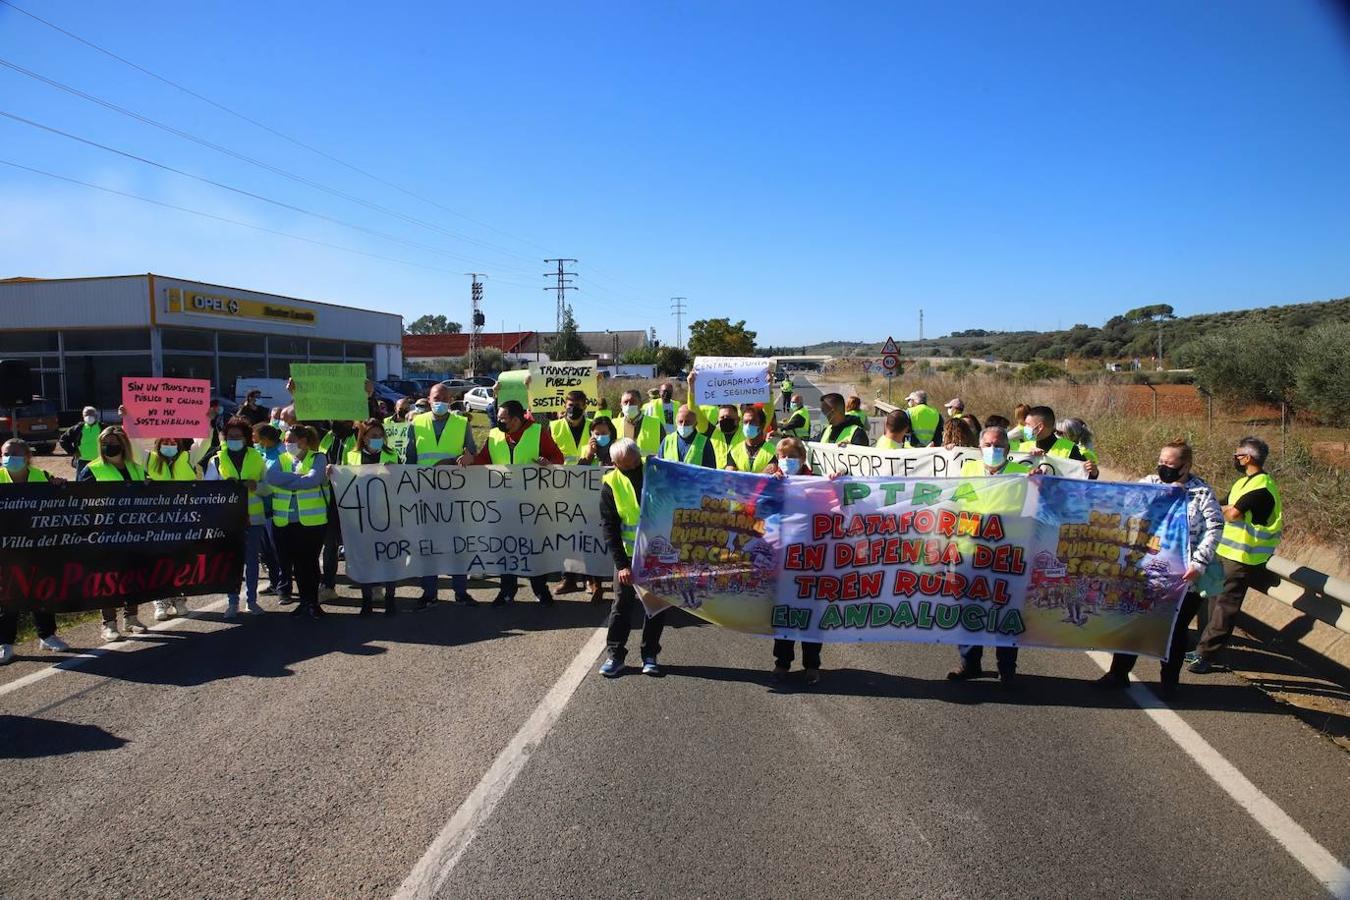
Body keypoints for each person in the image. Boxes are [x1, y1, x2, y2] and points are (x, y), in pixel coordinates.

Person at [1099, 439, 1223, 696]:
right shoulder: (1150, 484)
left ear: (1185, 465)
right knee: (1132, 621)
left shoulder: (1201, 493)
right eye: (1161, 461)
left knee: (1175, 631)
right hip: (1145, 570)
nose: (1164, 466)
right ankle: (1118, 674)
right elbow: (1128, 508)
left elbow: (1215, 527)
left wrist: (1199, 562)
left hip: (1183, 575)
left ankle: (1169, 683)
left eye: (1170, 463)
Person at [1189, 436, 1283, 675]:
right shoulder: (1244, 483)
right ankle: (1201, 648)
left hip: (1242, 557)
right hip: (1224, 552)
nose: (1235, 459)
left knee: (1224, 607)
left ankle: (1206, 655)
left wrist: (1224, 509)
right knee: (1210, 599)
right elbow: (1221, 505)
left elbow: (1232, 513)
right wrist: (1221, 508)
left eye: (1238, 455)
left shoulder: (1262, 487)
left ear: (1248, 457)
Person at [950, 426, 1032, 685]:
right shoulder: (968, 470)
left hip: (1006, 556)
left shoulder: (1024, 475)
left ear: (1007, 450)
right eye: (987, 444)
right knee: (969, 611)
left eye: (998, 445)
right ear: (979, 447)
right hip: (969, 553)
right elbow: (955, 507)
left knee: (1006, 613)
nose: (992, 449)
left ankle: (1007, 670)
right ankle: (970, 664)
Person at [471, 399, 564, 606]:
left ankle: (540, 589)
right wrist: (471, 460)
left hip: (531, 504)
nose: (499, 421)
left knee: (532, 549)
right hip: (503, 503)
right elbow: (484, 459)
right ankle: (507, 590)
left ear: (515, 419)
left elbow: (558, 457)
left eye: (503, 418)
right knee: (506, 548)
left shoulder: (537, 432)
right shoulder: (495, 435)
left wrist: (548, 463)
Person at [598, 438, 666, 677]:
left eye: (635, 462)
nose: (633, 468)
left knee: (655, 608)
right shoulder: (611, 484)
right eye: (626, 466)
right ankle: (615, 656)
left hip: (657, 556)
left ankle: (650, 655)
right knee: (621, 607)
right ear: (615, 464)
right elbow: (610, 529)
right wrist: (622, 565)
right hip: (628, 559)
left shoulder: (658, 470)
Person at [406, 382, 477, 607]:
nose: (441, 402)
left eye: (445, 398)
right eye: (437, 398)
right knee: (428, 545)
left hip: (453, 493)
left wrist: (470, 458)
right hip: (425, 495)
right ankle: (429, 593)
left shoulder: (461, 423)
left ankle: (460, 591)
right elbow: (409, 459)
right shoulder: (416, 423)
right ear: (429, 399)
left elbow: (472, 452)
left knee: (457, 544)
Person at [0, 438, 70, 662]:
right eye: (5, 453)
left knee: (41, 590)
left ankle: (47, 635)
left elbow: (58, 499)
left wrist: (59, 485)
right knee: (8, 596)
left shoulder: (41, 476)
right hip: (7, 550)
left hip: (36, 547)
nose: (9, 458)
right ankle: (5, 643)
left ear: (27, 457)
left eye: (15, 453)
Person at [79, 427, 148, 641]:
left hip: (133, 531)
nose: (109, 445)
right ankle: (108, 624)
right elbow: (81, 500)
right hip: (104, 532)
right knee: (107, 579)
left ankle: (132, 618)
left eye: (113, 441)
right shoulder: (92, 469)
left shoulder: (135, 468)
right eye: (105, 442)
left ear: (123, 444)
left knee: (132, 575)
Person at [765, 437, 823, 683]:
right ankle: (782, 662)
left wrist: (840, 478)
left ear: (802, 458)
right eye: (782, 456)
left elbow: (833, 507)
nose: (786, 461)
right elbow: (760, 509)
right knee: (785, 612)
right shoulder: (773, 480)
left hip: (811, 558)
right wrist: (771, 486)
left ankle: (812, 665)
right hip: (782, 559)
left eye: (791, 456)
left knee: (810, 613)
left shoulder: (816, 481)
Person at [264, 425, 330, 617]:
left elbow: (312, 480)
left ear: (303, 441)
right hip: (284, 521)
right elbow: (271, 477)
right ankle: (304, 601)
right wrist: (298, 478)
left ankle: (313, 602)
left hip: (311, 522)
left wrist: (288, 480)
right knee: (293, 564)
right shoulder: (282, 459)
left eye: (291, 440)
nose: (287, 444)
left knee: (308, 563)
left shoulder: (318, 458)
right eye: (286, 440)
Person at [335, 419, 400, 615]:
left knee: (389, 557)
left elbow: (400, 484)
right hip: (361, 516)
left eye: (380, 436)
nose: (377, 439)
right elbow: (344, 479)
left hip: (386, 515)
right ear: (363, 438)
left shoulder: (392, 455)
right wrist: (333, 472)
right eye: (373, 436)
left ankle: (390, 598)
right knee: (365, 559)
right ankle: (367, 600)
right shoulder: (352, 455)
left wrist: (393, 472)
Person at [206, 418, 268, 618]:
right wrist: (225, 486)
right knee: (231, 562)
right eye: (230, 436)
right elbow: (208, 490)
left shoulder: (257, 457)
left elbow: (268, 488)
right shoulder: (216, 459)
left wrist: (255, 486)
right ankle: (232, 603)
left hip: (254, 519)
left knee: (252, 561)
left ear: (246, 438)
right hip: (229, 521)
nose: (234, 439)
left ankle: (251, 601)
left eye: (238, 436)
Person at [146, 437, 201, 621]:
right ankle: (161, 602)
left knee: (181, 560)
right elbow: (133, 444)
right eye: (165, 442)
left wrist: (208, 421)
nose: (169, 446)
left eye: (173, 442)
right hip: (157, 520)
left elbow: (205, 442)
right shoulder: (149, 459)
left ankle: (179, 598)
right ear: (158, 444)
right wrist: (128, 419)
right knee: (159, 561)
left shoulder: (188, 458)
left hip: (183, 519)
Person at [575, 415, 618, 604]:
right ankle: (596, 585)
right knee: (593, 545)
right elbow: (577, 473)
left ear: (611, 433)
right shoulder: (587, 450)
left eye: (604, 433)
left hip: (616, 504)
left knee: (613, 544)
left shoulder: (618, 448)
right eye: (597, 433)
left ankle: (618, 582)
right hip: (592, 505)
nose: (601, 436)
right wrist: (589, 455)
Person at [252, 423, 289, 601]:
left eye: (255, 436)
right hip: (262, 508)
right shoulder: (260, 453)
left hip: (278, 508)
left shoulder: (282, 454)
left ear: (265, 438)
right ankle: (275, 583)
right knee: (266, 552)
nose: (254, 439)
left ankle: (284, 588)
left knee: (278, 551)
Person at [1016, 405, 1099, 479]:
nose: (1025, 428)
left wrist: (1093, 473)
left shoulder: (1070, 449)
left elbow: (1082, 479)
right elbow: (1011, 475)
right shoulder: (1023, 447)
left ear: (1040, 427)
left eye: (1028, 424)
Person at [617, 388, 663, 456]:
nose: (629, 405)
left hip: (648, 465)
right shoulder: (614, 424)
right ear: (621, 405)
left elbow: (665, 450)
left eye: (632, 402)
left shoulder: (656, 424)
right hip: (623, 466)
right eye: (625, 402)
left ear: (640, 404)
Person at [550, 390, 592, 464]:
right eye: (570, 405)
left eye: (577, 405)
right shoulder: (553, 426)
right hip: (562, 473)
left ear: (584, 407)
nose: (573, 408)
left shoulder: (593, 426)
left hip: (588, 473)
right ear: (565, 406)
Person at [58, 405, 103, 475]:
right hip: (82, 461)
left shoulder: (103, 428)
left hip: (100, 461)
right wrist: (73, 451)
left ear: (96, 415)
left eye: (91, 414)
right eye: (86, 415)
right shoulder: (77, 428)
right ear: (83, 416)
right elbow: (63, 440)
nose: (89, 416)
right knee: (81, 483)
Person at [729, 407, 775, 472]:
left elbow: (767, 477)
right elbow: (729, 476)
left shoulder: (773, 451)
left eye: (752, 422)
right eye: (745, 422)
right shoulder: (734, 451)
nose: (748, 426)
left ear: (762, 425)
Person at [707, 404, 746, 468]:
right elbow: (696, 412)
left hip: (738, 476)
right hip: (716, 476)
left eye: (728, 417)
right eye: (722, 418)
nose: (725, 420)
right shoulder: (712, 432)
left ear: (738, 419)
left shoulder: (746, 433)